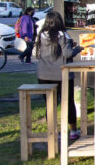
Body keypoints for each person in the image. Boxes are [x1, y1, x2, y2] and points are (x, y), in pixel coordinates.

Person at [35, 11, 83, 140]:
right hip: (62, 74)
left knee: (50, 104)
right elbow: (67, 54)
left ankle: (53, 131)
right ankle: (73, 130)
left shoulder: (41, 35)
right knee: (68, 103)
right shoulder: (62, 35)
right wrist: (77, 49)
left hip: (44, 75)